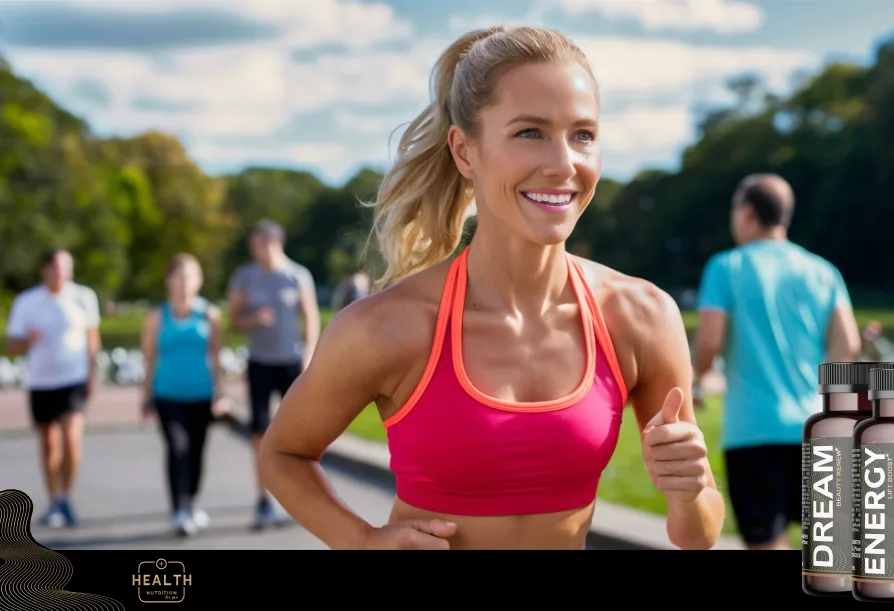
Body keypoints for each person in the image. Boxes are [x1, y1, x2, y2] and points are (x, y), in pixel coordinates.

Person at [257, 25, 725, 551]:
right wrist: (362, 540)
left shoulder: (640, 316)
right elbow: (283, 454)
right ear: (464, 151)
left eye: (583, 134)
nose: (563, 164)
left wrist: (689, 492)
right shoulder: (389, 326)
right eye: (530, 132)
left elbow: (698, 533)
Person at [691, 173, 861, 550]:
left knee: (766, 543)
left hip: (754, 431)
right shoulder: (823, 271)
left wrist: (698, 380)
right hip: (819, 428)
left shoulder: (726, 267)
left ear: (748, 212)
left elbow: (709, 340)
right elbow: (847, 345)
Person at [227, 219, 321, 530]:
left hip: (291, 364)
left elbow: (311, 317)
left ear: (275, 243)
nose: (257, 252)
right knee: (259, 433)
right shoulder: (245, 276)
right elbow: (234, 321)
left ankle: (304, 499)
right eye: (253, 247)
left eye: (261, 245)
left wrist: (309, 356)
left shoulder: (296, 275)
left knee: (299, 432)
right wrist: (252, 318)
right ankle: (264, 499)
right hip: (259, 363)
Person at [4, 249, 101, 528]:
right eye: (55, 268)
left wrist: (92, 376)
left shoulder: (83, 297)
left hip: (74, 379)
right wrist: (29, 340)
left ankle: (66, 496)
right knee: (48, 442)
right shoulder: (27, 301)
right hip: (42, 382)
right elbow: (13, 344)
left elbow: (92, 339)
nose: (60, 273)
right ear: (44, 270)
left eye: (65, 268)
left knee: (72, 437)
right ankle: (54, 498)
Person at [139, 254, 227, 537]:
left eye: (190, 276)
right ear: (169, 281)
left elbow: (217, 357)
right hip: (167, 395)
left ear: (199, 281)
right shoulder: (156, 317)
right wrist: (145, 397)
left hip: (201, 394)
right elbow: (149, 359)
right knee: (177, 448)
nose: (184, 282)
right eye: (179, 276)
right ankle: (179, 509)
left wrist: (220, 393)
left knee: (197, 452)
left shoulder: (209, 315)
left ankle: (193, 499)